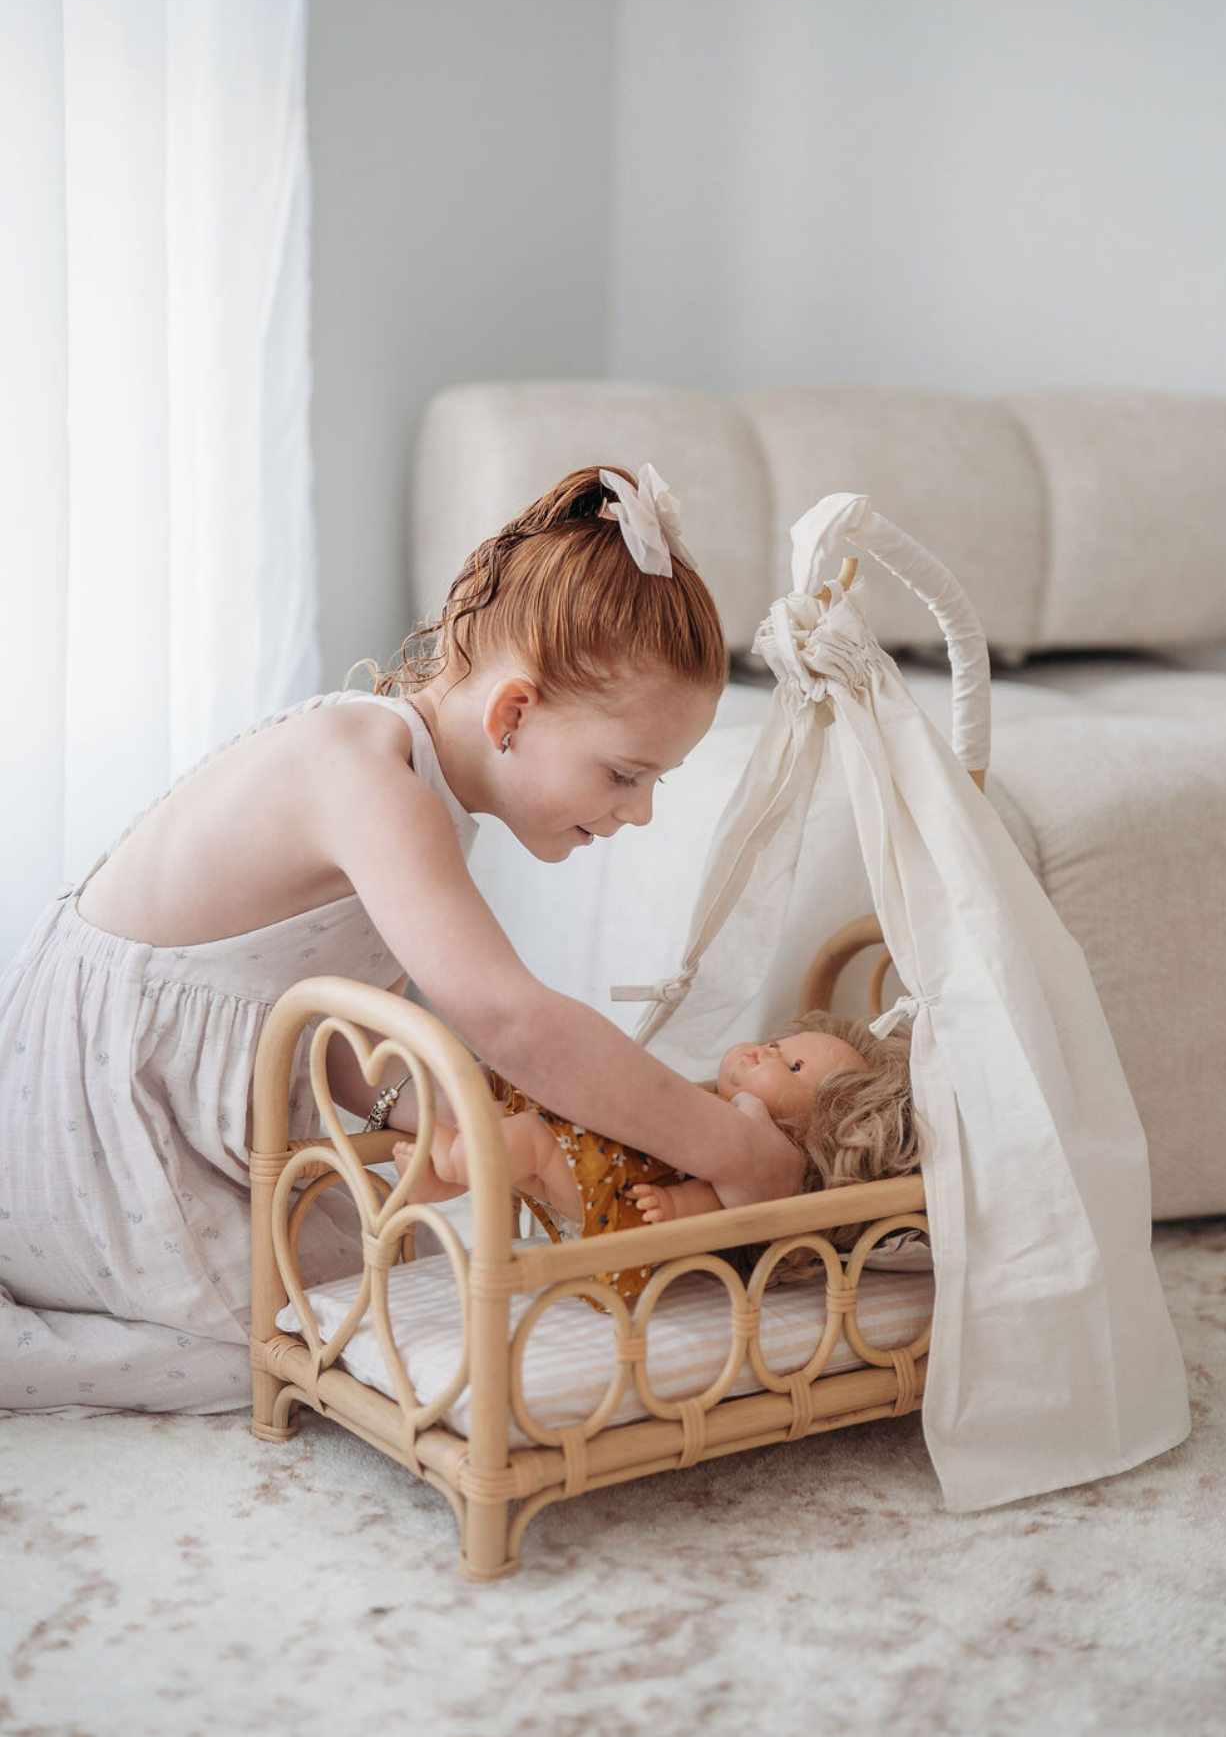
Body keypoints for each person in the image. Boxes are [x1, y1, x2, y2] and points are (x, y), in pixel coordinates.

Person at [0, 464, 801, 1415]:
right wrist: (732, 1150)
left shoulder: (421, 786)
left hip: (177, 1064)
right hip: (100, 1094)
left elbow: (307, 999)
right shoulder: (369, 776)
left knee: (381, 1282)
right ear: (513, 712)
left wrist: (427, 1114)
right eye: (626, 775)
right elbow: (513, 1020)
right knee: (307, 1346)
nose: (641, 813)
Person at [393, 1010, 920, 1302]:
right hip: (597, 1180)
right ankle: (445, 1180)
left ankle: (460, 1158)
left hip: (615, 1196)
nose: (769, 1051)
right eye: (780, 1045)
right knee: (526, 1163)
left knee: (530, 1138)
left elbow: (722, 1210)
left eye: (794, 1068)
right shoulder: (719, 1109)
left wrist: (675, 1211)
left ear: (810, 1127)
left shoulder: (769, 1156)